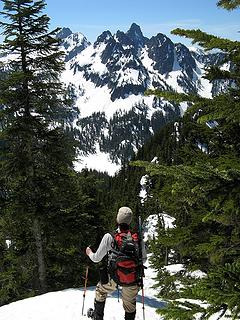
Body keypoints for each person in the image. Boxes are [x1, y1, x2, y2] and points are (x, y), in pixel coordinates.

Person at [86, 206, 147, 320]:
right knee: (130, 306)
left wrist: (89, 252)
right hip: (132, 279)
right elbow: (143, 259)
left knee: (100, 290)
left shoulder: (110, 237)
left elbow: (96, 258)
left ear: (117, 219)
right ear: (130, 220)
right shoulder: (137, 238)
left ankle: (98, 317)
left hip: (114, 277)